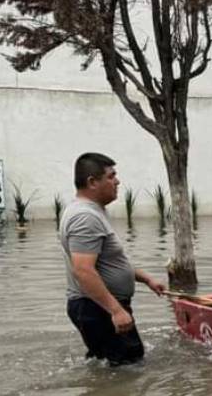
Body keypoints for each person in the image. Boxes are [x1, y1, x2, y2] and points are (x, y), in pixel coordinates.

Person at [60, 152, 166, 366]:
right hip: (97, 307)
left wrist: (146, 279)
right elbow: (84, 270)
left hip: (99, 306)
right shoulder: (85, 217)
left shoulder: (92, 212)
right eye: (111, 176)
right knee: (128, 368)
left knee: (114, 366)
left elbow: (109, 262)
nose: (117, 181)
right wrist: (116, 310)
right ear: (92, 182)